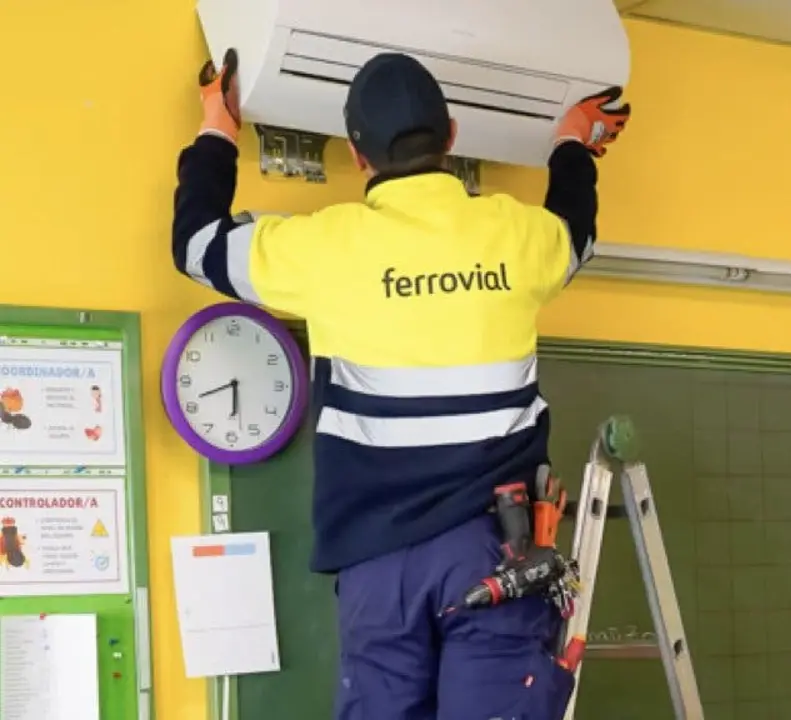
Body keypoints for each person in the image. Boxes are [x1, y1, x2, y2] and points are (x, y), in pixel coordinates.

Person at [170, 49, 631, 719]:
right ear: (450, 136)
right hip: (495, 550)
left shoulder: (323, 248)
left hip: (376, 558)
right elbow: (575, 229)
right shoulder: (513, 234)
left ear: (358, 157)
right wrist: (571, 144)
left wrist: (218, 123)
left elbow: (195, 243)